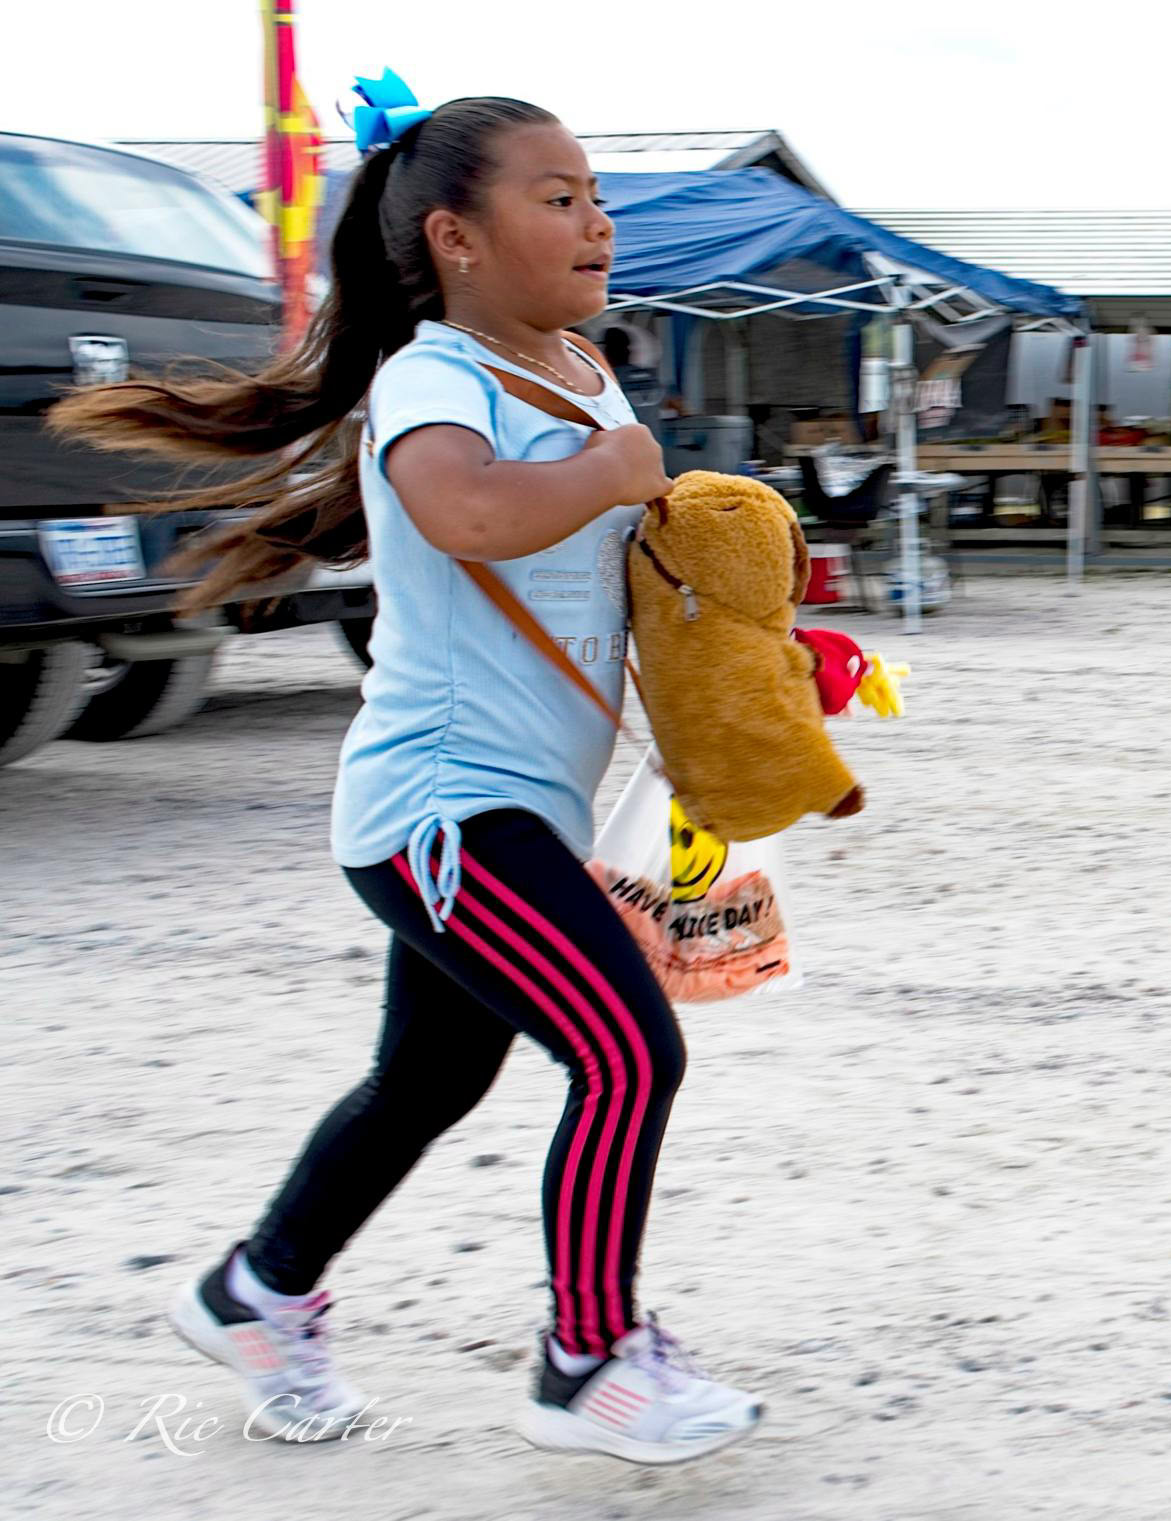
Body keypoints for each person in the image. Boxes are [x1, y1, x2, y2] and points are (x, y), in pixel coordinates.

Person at [49, 84, 763, 1464]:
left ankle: (255, 1292)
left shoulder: (582, 370)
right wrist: (614, 471)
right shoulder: (437, 380)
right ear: (456, 237)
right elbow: (466, 512)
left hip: (522, 804)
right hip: (445, 813)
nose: (597, 221)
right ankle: (586, 1359)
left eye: (596, 195)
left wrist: (753, 657)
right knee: (627, 1051)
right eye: (557, 198)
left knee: (427, 1081)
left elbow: (613, 574)